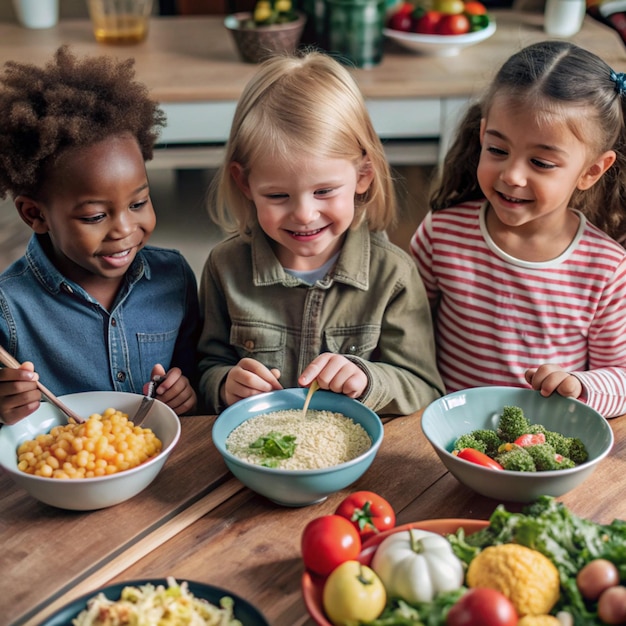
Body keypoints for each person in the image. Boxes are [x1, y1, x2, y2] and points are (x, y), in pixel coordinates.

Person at [197, 51, 444, 416]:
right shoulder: (225, 266)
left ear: (362, 176)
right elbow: (204, 367)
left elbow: (424, 387)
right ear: (244, 182)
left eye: (325, 191)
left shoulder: (393, 274)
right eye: (278, 195)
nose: (304, 214)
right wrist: (223, 383)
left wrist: (367, 379)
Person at [410, 40, 626, 418]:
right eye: (497, 150)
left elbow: (622, 377)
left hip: (544, 444)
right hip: (445, 436)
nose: (511, 175)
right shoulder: (440, 235)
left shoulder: (607, 268)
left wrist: (580, 385)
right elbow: (402, 332)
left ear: (591, 171)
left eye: (541, 162)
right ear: (481, 136)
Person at [0, 46, 201, 424]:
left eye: (139, 203)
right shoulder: (9, 307)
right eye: (95, 216)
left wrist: (186, 391)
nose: (124, 229)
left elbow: (195, 373)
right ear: (35, 214)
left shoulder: (174, 277)